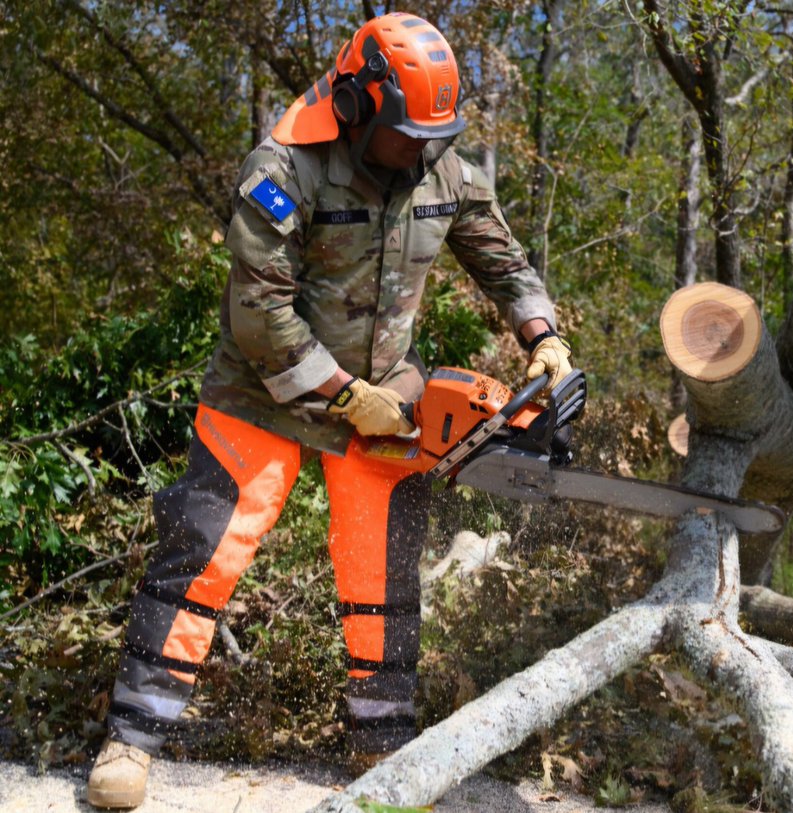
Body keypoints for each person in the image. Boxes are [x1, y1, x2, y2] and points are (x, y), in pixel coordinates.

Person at [86, 12, 572, 809]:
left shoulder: (438, 166)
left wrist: (542, 333)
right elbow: (259, 315)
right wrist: (345, 395)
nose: (419, 152)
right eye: (405, 136)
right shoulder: (287, 166)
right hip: (261, 394)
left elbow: (501, 256)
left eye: (433, 137)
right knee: (205, 552)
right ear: (357, 105)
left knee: (382, 571)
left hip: (386, 392)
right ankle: (131, 737)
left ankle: (383, 747)